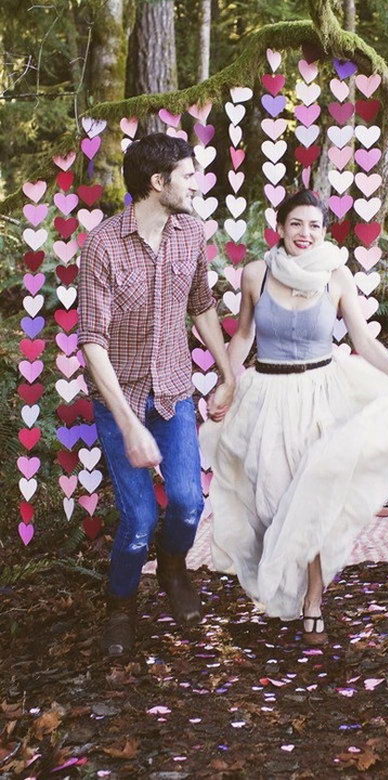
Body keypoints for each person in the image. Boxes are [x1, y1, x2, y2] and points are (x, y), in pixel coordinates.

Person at [196, 188, 388, 644]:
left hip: (322, 393)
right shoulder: (256, 274)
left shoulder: (336, 277)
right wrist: (226, 379)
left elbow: (363, 342)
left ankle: (313, 601)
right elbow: (242, 337)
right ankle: (281, 577)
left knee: (314, 497)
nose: (305, 233)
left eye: (315, 225)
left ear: (324, 231)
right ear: (279, 228)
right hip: (268, 396)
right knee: (273, 501)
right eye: (296, 223)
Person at [78, 133, 235, 657]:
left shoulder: (191, 232)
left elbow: (202, 304)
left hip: (173, 389)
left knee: (189, 506)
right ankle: (120, 604)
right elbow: (92, 345)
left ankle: (172, 569)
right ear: (157, 182)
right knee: (140, 518)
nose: (197, 182)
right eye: (189, 174)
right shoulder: (102, 246)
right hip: (118, 400)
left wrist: (227, 372)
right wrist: (129, 425)